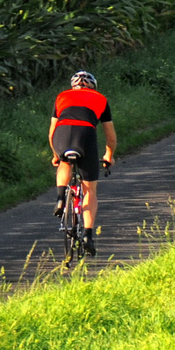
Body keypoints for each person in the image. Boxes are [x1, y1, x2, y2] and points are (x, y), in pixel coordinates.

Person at [49, 69, 117, 257]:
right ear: (93, 86)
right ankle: (88, 235)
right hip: (85, 136)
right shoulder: (100, 99)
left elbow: (51, 131)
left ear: (73, 86)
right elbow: (110, 137)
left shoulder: (62, 96)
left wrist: (56, 154)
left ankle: (61, 198)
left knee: (64, 163)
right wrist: (108, 155)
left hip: (61, 134)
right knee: (90, 190)